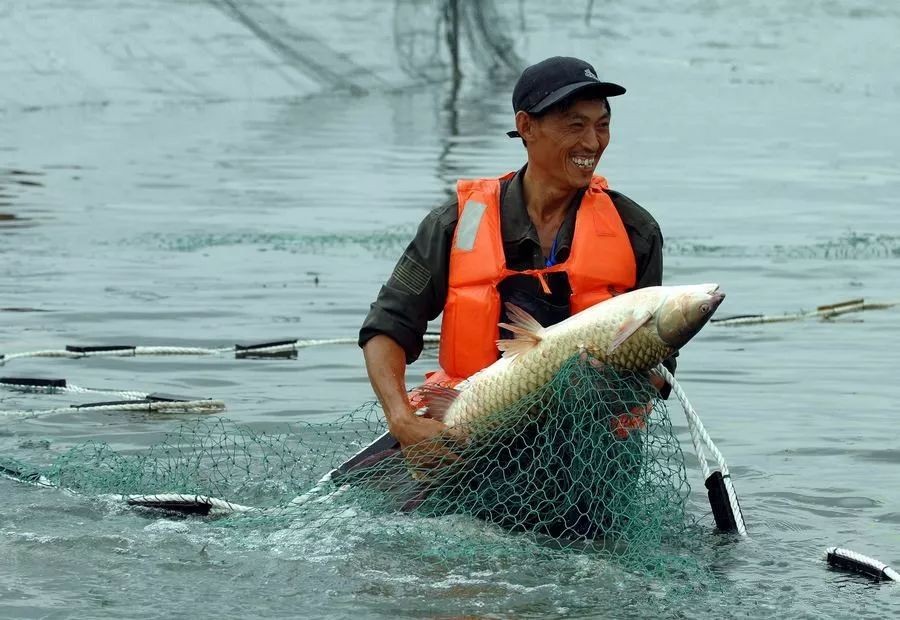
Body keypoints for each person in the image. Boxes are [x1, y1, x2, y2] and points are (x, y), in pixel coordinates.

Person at [359, 56, 674, 462]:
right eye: (575, 125)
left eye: (602, 125)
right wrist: (402, 420)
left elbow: (660, 368)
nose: (593, 143)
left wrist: (606, 382)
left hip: (590, 455)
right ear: (526, 126)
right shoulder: (455, 223)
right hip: (471, 441)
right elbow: (386, 327)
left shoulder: (636, 231)